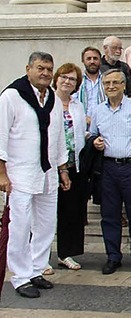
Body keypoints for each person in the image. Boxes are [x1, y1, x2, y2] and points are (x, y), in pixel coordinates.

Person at [0, 52, 70, 298]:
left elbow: (59, 136)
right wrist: (2, 174)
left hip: (48, 172)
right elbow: (1, 135)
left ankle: (36, 269)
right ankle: (20, 276)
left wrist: (63, 169)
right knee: (19, 226)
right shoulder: (12, 96)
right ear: (28, 68)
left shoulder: (52, 98)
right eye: (40, 68)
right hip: (20, 173)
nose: (45, 73)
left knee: (45, 224)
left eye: (49, 69)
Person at [90, 69, 131, 275]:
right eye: (107, 83)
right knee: (109, 215)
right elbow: (92, 135)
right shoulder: (98, 111)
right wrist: (95, 141)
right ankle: (113, 257)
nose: (111, 87)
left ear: (124, 85)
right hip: (109, 168)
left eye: (115, 83)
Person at [53, 63, 87, 271]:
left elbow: (80, 133)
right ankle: (36, 257)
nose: (67, 82)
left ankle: (66, 253)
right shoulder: (48, 102)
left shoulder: (78, 106)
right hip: (52, 166)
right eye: (64, 77)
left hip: (74, 165)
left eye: (72, 79)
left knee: (71, 212)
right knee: (46, 214)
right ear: (56, 79)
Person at [77, 47, 105, 121]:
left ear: (100, 61)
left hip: (103, 124)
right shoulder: (77, 81)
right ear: (83, 61)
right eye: (89, 58)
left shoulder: (107, 81)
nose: (92, 61)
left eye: (95, 58)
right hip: (81, 124)